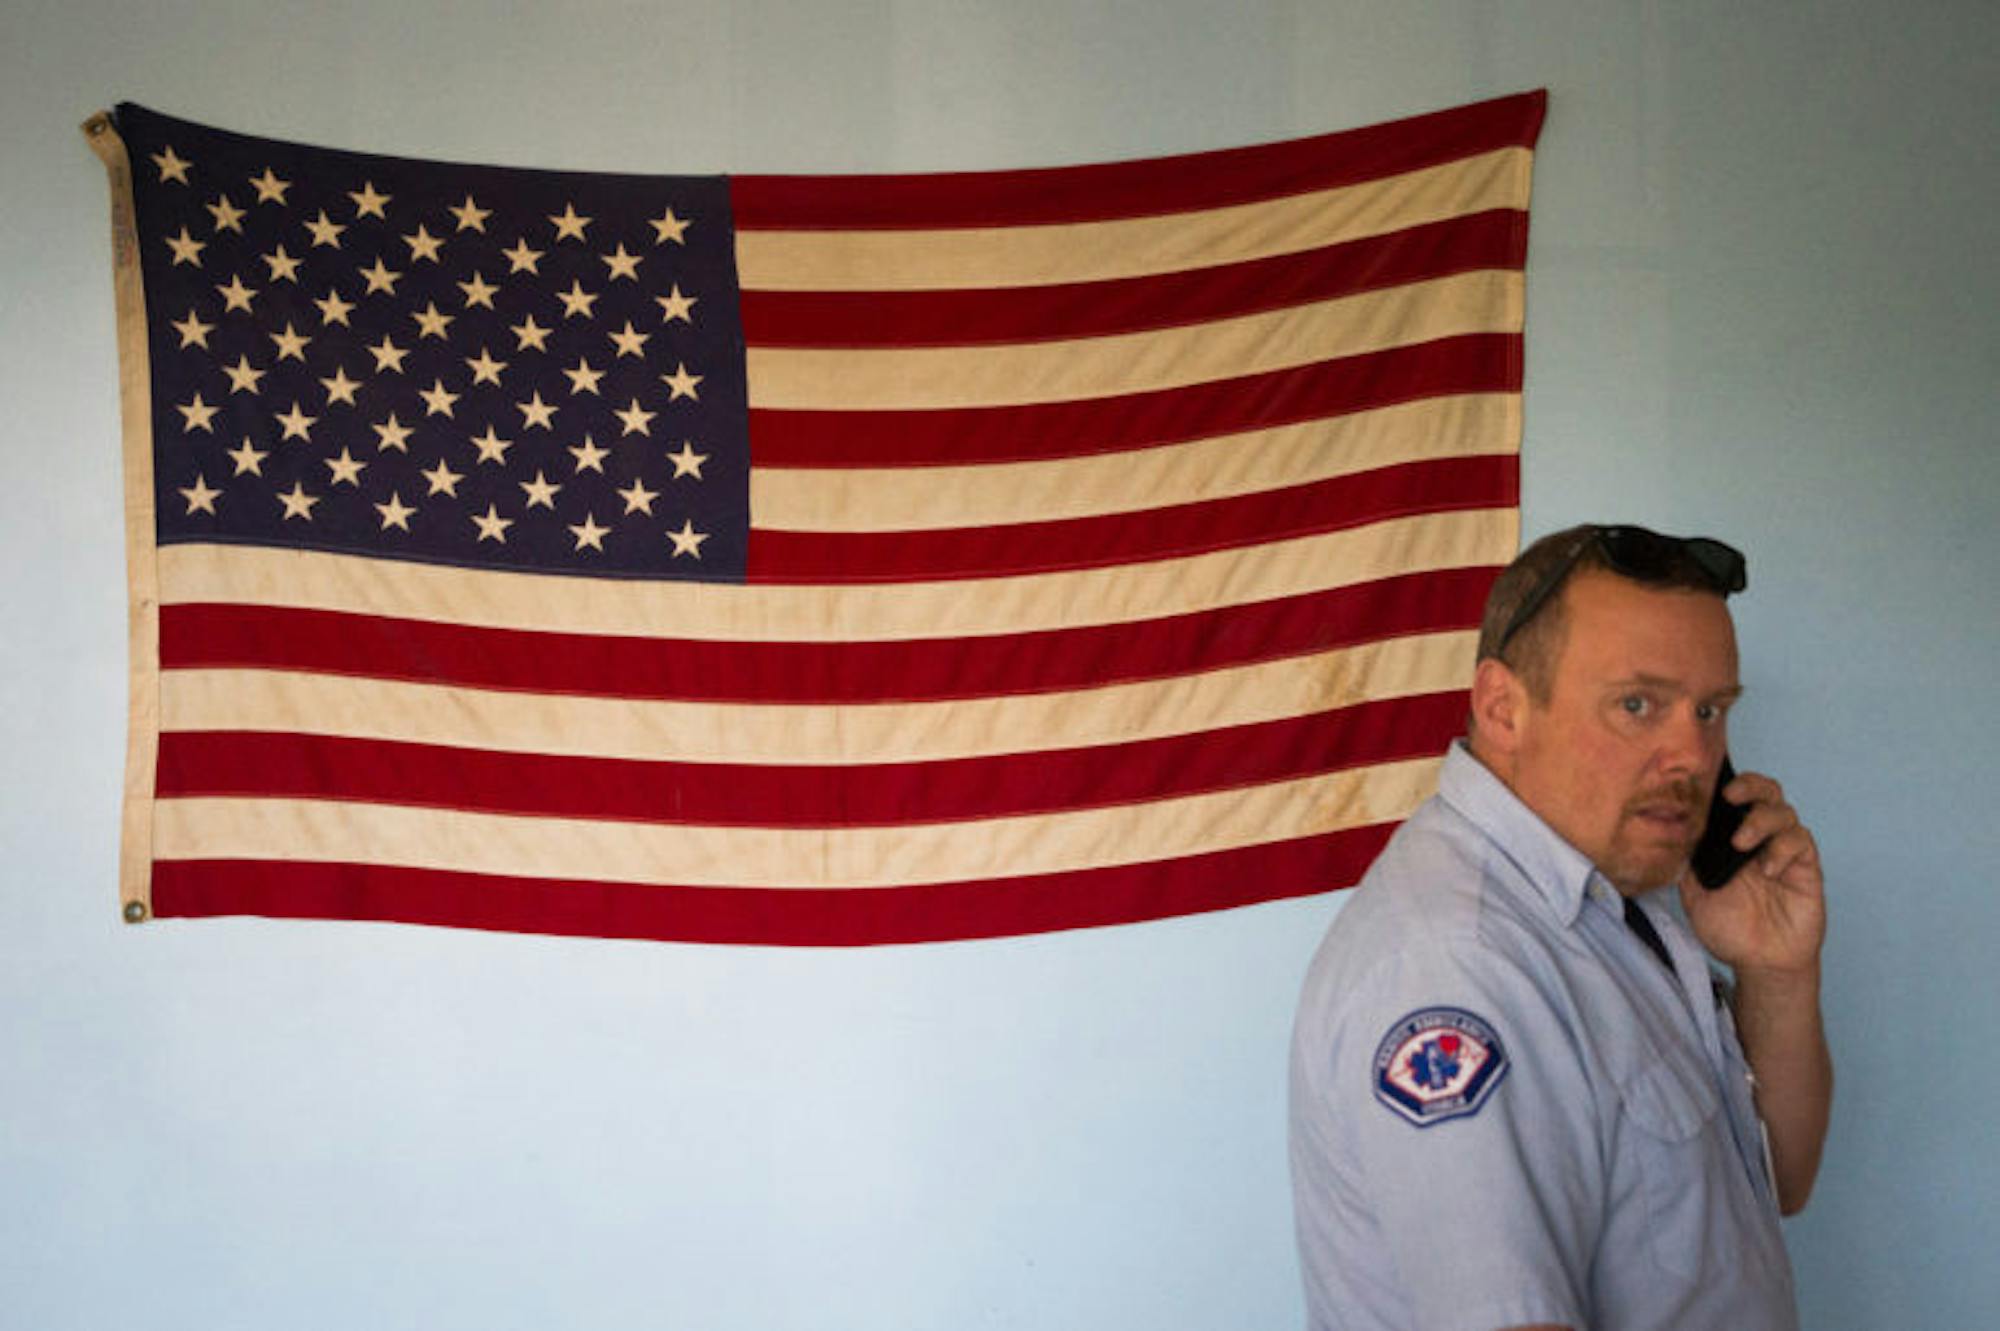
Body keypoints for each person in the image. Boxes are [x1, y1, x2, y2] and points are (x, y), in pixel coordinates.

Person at [1288, 524, 1831, 1331]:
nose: (1691, 754)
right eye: (1636, 704)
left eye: (1710, 709)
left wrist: (1778, 971)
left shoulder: (1614, 899)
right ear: (1503, 709)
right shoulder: (1459, 965)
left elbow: (1781, 1177)